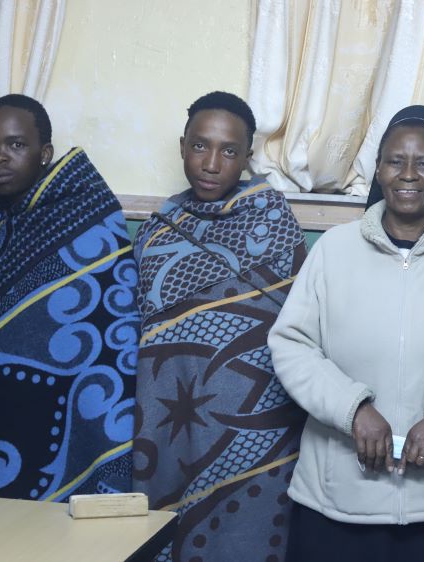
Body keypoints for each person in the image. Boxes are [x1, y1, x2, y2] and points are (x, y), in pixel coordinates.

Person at [268, 105, 424, 562]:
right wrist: (353, 409)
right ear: (378, 170)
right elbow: (291, 344)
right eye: (395, 161)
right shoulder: (332, 252)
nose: (408, 174)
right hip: (338, 504)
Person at [0, 94, 139, 511]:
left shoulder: (90, 214)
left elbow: (109, 328)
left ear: (44, 154)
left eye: (15, 145)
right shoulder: (0, 218)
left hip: (66, 403)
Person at [132, 91, 307, 562]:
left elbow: (301, 330)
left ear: (247, 158)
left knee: (248, 542)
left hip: (258, 430)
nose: (211, 163)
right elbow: (146, 332)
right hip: (168, 425)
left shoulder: (275, 221)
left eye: (229, 151)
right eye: (199, 146)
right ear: (182, 145)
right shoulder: (155, 231)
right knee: (173, 536)